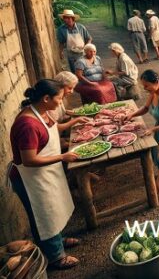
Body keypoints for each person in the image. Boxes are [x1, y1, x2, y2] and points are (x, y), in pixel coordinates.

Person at [9, 80, 81, 269]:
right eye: (59, 97)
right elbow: (29, 159)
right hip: (29, 179)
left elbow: (52, 128)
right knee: (43, 215)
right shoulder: (27, 125)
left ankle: (58, 239)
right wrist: (62, 156)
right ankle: (56, 257)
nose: (61, 101)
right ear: (46, 98)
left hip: (44, 173)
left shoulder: (40, 111)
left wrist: (74, 121)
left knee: (53, 208)